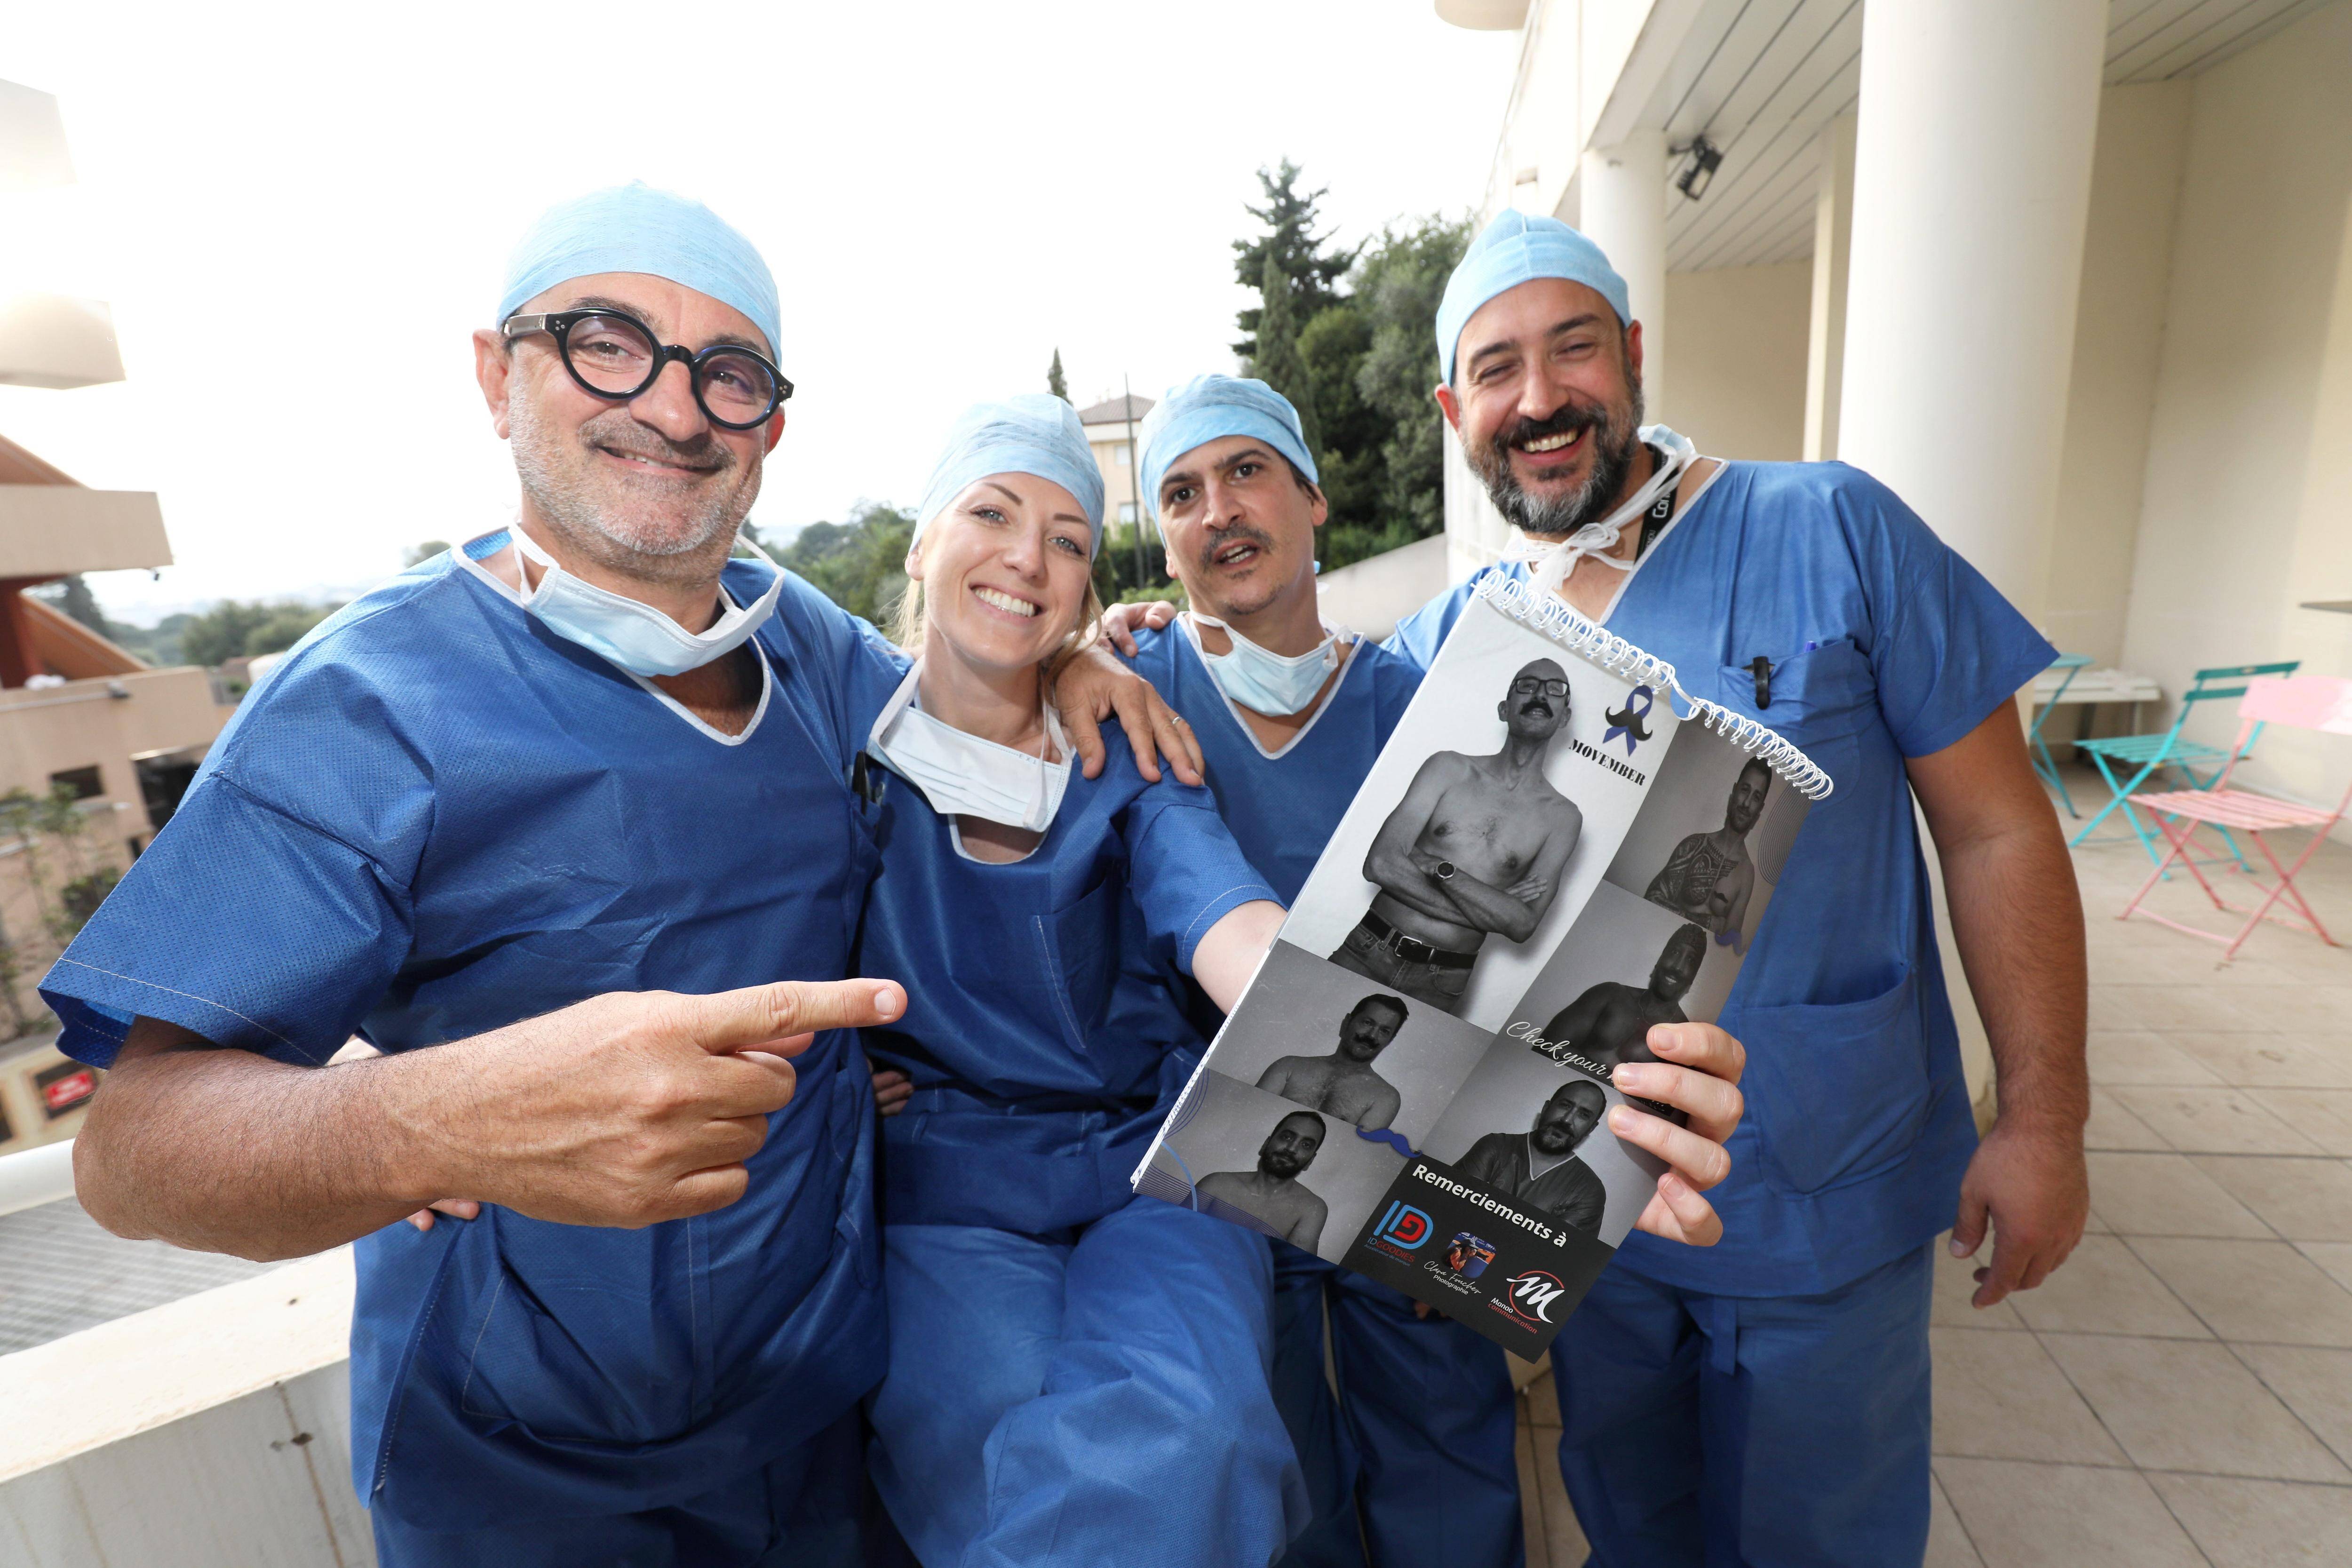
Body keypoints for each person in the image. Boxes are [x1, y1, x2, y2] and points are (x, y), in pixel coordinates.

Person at [39, 185, 1192, 1568]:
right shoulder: (364, 707)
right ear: (495, 371)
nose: (673, 404)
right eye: (607, 341)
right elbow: (128, 1151)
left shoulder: (811, 654)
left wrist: (1067, 647)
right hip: (531, 1476)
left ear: (770, 427)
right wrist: (425, 1121)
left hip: (824, 1415)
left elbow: (973, 739)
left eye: (728, 371)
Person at [1383, 210, 2090, 1567]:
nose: (1539, 398)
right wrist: (1125, 641)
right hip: (1580, 1205)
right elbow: (1287, 730)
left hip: (1821, 1182)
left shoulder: (1832, 527)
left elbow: (2001, 831)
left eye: (1572, 348)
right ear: (1455, 407)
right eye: (1496, 368)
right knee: (1631, 1521)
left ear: (1634, 356)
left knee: (1818, 1537)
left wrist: (2047, 1118)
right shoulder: (1463, 636)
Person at [1107, 373, 1749, 1568]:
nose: (1218, 513)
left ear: (1315, 501)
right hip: (1229, 1126)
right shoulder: (1140, 702)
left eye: (1247, 472)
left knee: (1445, 1427)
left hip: (1424, 1099)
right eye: (1182, 493)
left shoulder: (1417, 709)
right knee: (1271, 1442)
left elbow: (1525, 935)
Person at [851, 395, 1306, 1568]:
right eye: (993, 513)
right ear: (922, 543)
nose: (1027, 556)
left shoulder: (1126, 751)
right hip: (946, 1192)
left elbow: (1223, 914)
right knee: (993, 1435)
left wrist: (1343, 1019)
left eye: (1068, 540)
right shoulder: (844, 751)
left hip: (1152, 1167)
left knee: (1197, 1431)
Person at [1333, 657, 1583, 1013]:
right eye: (1526, 685)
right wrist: (1490, 904)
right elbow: (1380, 865)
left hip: (1443, 980)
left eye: (1555, 689)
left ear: (1564, 717)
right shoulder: (1448, 768)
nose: (1540, 695)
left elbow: (1522, 923)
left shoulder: (1563, 818)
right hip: (1369, 946)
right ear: (1504, 709)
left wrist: (1439, 869)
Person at [1536, 924, 1707, 1070]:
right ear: (1660, 960)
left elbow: (1661, 1104)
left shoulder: (1684, 1036)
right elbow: (1548, 1045)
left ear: (1693, 977)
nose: (1678, 967)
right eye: (1675, 953)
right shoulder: (1610, 994)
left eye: (1690, 961)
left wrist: (1599, 1063)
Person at [1456, 1081, 1612, 1236]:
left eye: (1583, 1115)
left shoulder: (1589, 1190)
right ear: (1546, 1108)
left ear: (1591, 1128)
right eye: (1565, 1106)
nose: (1567, 1120)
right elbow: (1454, 1209)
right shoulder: (1495, 1147)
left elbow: (1554, 1254)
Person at [1646, 757, 1772, 950]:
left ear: (1760, 809)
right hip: (1656, 941)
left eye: (1756, 797)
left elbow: (1727, 945)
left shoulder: (1746, 874)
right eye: (1745, 790)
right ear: (1735, 790)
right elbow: (1652, 899)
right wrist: (1711, 923)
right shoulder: (1695, 845)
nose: (1747, 803)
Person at [1255, 993, 1410, 1131]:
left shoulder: (1385, 1097)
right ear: (1347, 1022)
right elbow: (1251, 1114)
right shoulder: (1289, 1067)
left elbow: (1349, 1152)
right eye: (1368, 1023)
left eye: (1384, 1031)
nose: (1371, 1036)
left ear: (1390, 1041)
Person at [1196, 1110, 1335, 1251]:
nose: (1292, 1148)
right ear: (1266, 1144)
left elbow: (1294, 1269)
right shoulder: (1215, 1184)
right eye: (1287, 1137)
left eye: (1306, 1145)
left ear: (1310, 1161)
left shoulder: (1312, 1209)